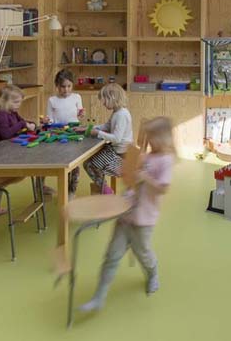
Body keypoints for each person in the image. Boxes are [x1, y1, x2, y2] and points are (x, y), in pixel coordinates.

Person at [80, 116, 175, 313]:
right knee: (112, 256)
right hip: (126, 214)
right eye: (149, 136)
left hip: (144, 219)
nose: (150, 141)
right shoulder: (145, 157)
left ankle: (152, 273)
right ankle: (99, 297)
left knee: (144, 254)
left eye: (154, 136)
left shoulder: (166, 160)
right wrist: (129, 174)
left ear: (164, 137)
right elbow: (131, 181)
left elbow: (163, 189)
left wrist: (145, 177)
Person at [0, 84, 50, 208]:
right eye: (16, 102)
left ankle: (40, 189)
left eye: (19, 102)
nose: (19, 105)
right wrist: (23, 124)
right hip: (3, 155)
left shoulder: (13, 113)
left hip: (13, 149)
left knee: (41, 157)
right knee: (38, 160)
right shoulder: (1, 115)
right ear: (5, 101)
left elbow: (23, 122)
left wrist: (31, 124)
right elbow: (6, 134)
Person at [85, 83, 132, 194]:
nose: (103, 103)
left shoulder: (121, 115)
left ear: (112, 98)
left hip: (120, 156)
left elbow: (116, 138)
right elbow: (107, 126)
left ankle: (106, 190)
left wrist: (98, 133)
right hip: (116, 151)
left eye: (104, 100)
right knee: (92, 159)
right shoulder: (117, 112)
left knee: (89, 164)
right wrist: (91, 128)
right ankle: (103, 186)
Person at [47, 70, 85, 194]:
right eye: (63, 86)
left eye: (69, 86)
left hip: (74, 132)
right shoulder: (52, 100)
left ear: (72, 85)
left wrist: (81, 114)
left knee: (74, 162)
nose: (66, 89)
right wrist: (47, 121)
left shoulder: (77, 97)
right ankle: (63, 188)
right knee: (62, 162)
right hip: (58, 133)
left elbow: (79, 115)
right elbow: (50, 119)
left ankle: (72, 189)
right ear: (57, 86)